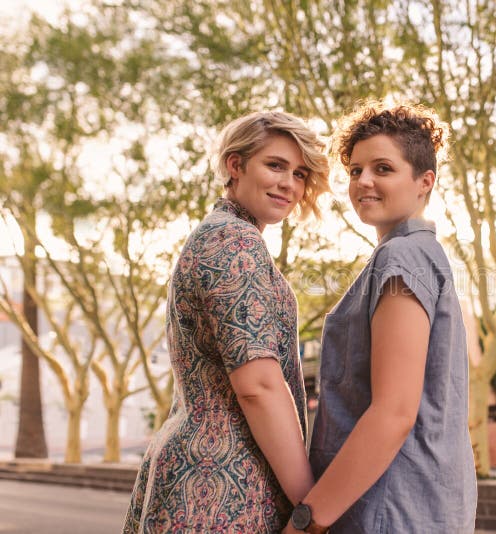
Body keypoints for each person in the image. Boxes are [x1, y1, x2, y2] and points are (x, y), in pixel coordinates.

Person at [122, 110, 330, 533]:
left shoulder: (219, 234)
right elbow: (258, 386)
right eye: (275, 165)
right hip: (217, 487)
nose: (289, 184)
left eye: (300, 174)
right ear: (235, 166)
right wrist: (311, 513)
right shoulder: (235, 243)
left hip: (205, 471)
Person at [285, 102, 477, 534]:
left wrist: (305, 522)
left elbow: (393, 413)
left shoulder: (404, 257)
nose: (363, 182)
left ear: (424, 181)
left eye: (383, 168)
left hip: (392, 510)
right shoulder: (417, 256)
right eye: (355, 171)